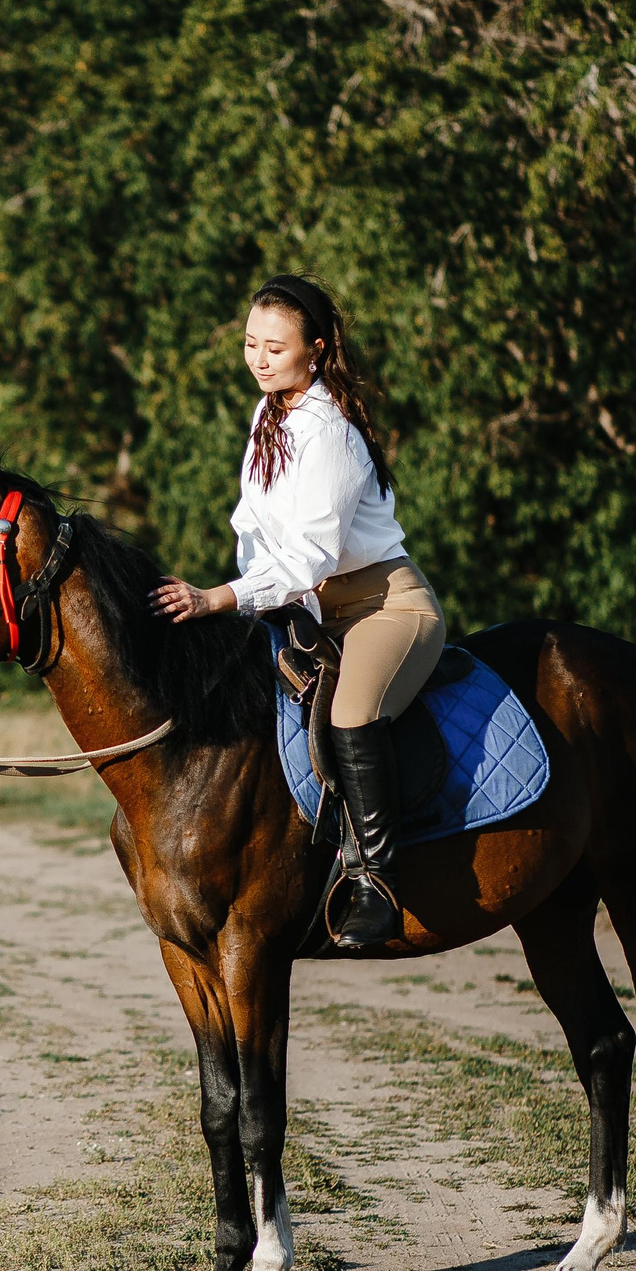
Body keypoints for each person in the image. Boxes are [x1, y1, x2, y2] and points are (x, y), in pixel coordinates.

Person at [148, 273, 442, 949]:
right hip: (308, 608)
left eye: (274, 348)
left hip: (384, 606)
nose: (257, 358)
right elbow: (252, 525)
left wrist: (218, 596)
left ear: (316, 349)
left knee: (348, 713)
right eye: (250, 343)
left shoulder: (329, 432)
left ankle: (376, 881)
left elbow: (311, 556)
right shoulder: (267, 414)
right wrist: (245, 608)